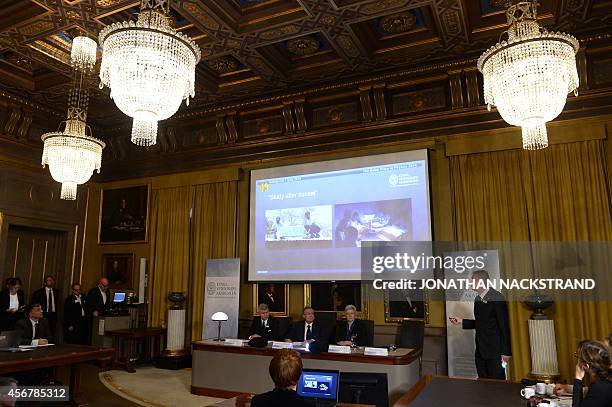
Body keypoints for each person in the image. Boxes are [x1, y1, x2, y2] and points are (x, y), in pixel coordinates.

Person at [450, 269, 511, 379]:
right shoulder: (477, 299)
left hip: (495, 352)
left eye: (472, 280)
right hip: (480, 351)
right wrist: (462, 321)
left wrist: (506, 352)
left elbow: (504, 326)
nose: (470, 283)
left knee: (497, 386)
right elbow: (481, 323)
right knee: (482, 384)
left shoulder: (497, 297)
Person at [572, 340, 612, 406]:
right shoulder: (606, 380)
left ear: (586, 365)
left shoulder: (599, 388)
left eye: (578, 357)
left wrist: (578, 379)